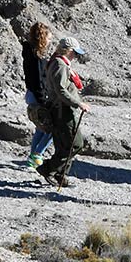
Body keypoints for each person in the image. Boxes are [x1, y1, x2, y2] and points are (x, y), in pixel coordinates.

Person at [37, 36, 90, 188]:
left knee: (64, 144)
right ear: (68, 51)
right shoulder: (60, 65)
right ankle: (49, 169)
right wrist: (78, 103)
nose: (76, 56)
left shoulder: (59, 63)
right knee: (75, 143)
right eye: (74, 52)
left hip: (61, 109)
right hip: (62, 110)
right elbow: (61, 90)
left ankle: (60, 175)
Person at [22, 22, 53, 169]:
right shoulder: (36, 58)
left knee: (40, 127)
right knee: (52, 128)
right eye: (48, 38)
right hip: (37, 95)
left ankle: (33, 158)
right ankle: (37, 155)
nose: (50, 41)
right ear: (42, 38)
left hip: (32, 94)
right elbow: (37, 81)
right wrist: (43, 99)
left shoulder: (30, 54)